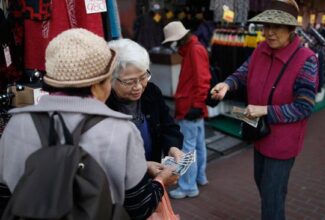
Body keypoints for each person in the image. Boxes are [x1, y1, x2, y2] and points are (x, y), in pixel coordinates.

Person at [0, 28, 178, 220]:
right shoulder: (120, 130)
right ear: (101, 83)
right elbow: (139, 207)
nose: (138, 86)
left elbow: (5, 199)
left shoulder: (17, 124)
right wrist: (160, 182)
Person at [211, 0, 319, 219]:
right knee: (265, 187)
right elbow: (242, 72)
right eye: (266, 26)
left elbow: (304, 107)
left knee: (271, 198)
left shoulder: (306, 60)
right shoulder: (261, 49)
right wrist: (227, 84)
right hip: (259, 135)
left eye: (276, 27)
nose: (269, 33)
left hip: (282, 143)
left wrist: (265, 110)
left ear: (291, 29)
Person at [106, 38, 184, 176]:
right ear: (111, 79)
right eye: (129, 82)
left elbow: (168, 125)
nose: (138, 87)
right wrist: (142, 166)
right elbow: (106, 157)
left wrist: (172, 146)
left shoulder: (151, 92)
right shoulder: (103, 105)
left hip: (152, 177)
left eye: (143, 77)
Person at [162, 21, 211, 199]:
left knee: (188, 148)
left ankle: (188, 186)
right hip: (193, 106)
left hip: (190, 106)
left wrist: (197, 105)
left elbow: (202, 80)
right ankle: (199, 178)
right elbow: (202, 80)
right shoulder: (194, 49)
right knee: (198, 145)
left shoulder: (194, 50)